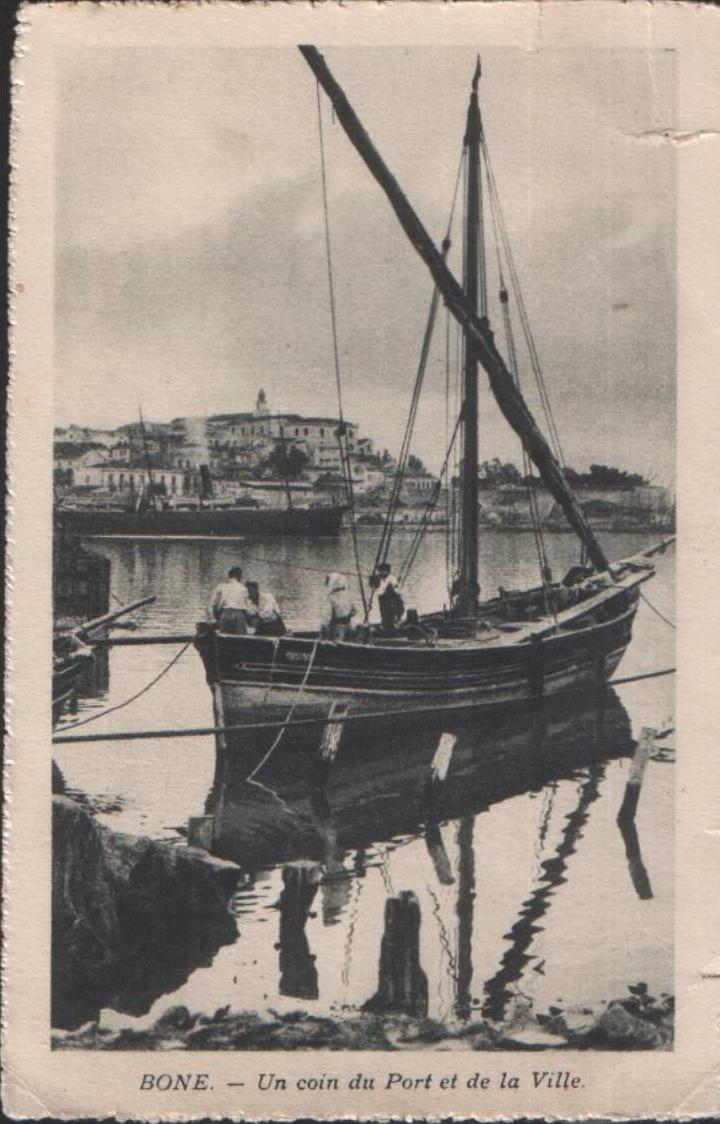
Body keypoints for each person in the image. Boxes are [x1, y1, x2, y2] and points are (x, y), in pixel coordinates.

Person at [209, 566, 250, 634]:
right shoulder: (243, 588)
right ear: (239, 576)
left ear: (229, 575)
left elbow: (214, 604)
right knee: (241, 638)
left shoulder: (221, 586)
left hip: (225, 614)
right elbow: (248, 608)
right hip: (239, 615)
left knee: (225, 636)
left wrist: (218, 618)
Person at [320, 572, 357, 641]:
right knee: (348, 642)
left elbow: (327, 617)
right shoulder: (348, 596)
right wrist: (347, 616)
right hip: (348, 625)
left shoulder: (331, 598)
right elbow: (354, 611)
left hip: (336, 628)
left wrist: (323, 629)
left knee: (336, 643)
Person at [370, 562, 404, 634]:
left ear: (387, 571)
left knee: (391, 613)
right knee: (384, 613)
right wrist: (373, 581)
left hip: (391, 597)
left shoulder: (392, 578)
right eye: (381, 571)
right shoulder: (377, 578)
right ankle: (385, 627)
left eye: (384, 571)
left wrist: (390, 586)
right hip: (382, 597)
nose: (382, 572)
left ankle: (392, 627)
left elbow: (394, 586)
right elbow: (373, 586)